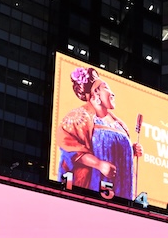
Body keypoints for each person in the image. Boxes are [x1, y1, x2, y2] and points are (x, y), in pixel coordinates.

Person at [56, 66, 143, 199]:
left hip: (121, 190)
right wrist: (98, 164)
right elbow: (69, 148)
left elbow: (114, 151)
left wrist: (131, 151)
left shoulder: (119, 124)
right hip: (94, 188)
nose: (112, 93)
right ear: (95, 94)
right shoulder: (78, 117)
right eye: (106, 88)